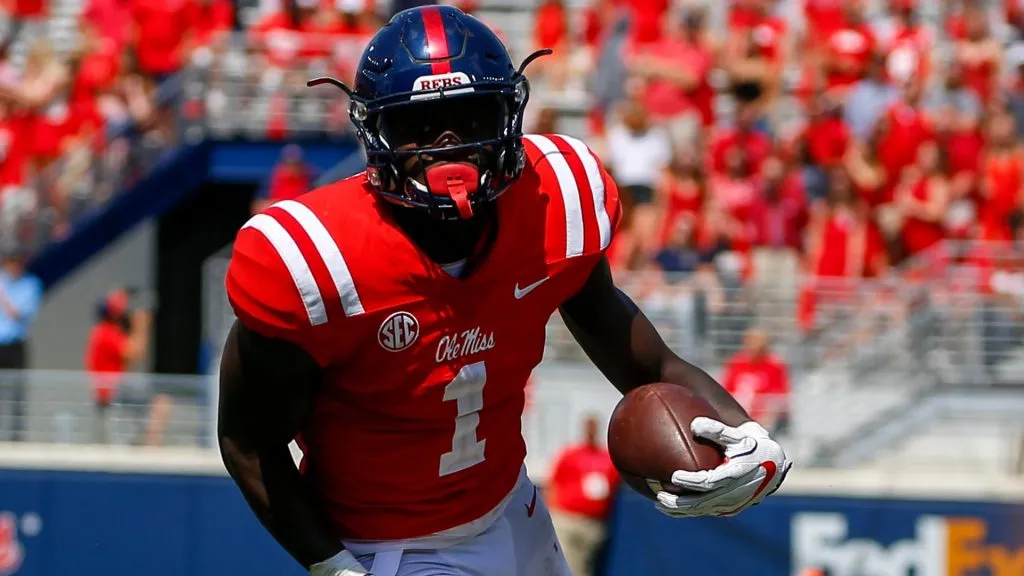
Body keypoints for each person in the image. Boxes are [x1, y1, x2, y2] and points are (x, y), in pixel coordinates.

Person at [218, 6, 792, 576]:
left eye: (470, 117)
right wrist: (335, 567)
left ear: (508, 116)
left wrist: (749, 436)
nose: (447, 145)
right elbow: (248, 442)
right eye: (417, 126)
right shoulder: (314, 259)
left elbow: (644, 358)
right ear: (375, 132)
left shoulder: (554, 200)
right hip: (392, 547)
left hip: (515, 512)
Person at [84, 288, 167, 445]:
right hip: (111, 394)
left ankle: (150, 444)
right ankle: (152, 447)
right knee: (161, 403)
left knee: (158, 402)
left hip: (116, 392)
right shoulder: (106, 332)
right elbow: (136, 353)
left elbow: (131, 358)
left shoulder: (106, 332)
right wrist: (141, 324)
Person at [546, 415, 619, 576]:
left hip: (593, 523)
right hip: (568, 519)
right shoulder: (571, 454)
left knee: (586, 566)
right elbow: (553, 483)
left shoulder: (606, 457)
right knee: (568, 565)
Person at [0, 247, 42, 441]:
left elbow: (18, 314)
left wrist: (3, 299)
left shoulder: (31, 285)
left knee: (17, 392)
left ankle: (16, 437)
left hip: (15, 344)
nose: (13, 266)